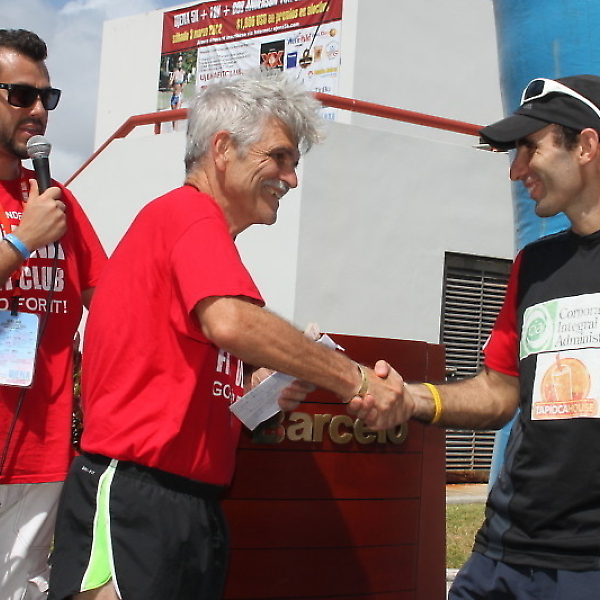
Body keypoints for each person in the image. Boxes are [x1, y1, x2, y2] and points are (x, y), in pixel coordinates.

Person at [47, 70, 404, 600]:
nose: (291, 178)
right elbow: (233, 323)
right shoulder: (189, 215)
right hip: (137, 499)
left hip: (185, 504)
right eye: (279, 157)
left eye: (294, 163)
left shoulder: (198, 236)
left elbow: (188, 379)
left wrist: (261, 394)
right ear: (222, 149)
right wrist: (355, 379)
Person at [350, 74, 600, 599]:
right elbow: (499, 392)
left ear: (586, 146)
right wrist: (411, 398)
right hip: (502, 555)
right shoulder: (535, 265)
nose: (516, 170)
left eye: (529, 148)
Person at [0, 29, 107, 600]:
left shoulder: (56, 201)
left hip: (40, 454)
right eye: (22, 95)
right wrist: (21, 242)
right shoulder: (39, 221)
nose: (39, 110)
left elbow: (111, 301)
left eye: (48, 97)